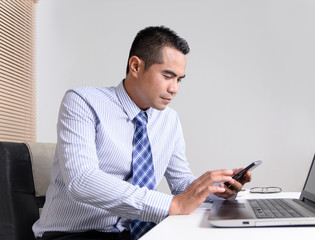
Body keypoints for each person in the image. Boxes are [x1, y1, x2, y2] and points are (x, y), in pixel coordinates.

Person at [33, 26, 251, 240]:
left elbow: (181, 182)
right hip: (74, 233)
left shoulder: (169, 119)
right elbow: (82, 180)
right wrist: (172, 205)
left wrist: (215, 191)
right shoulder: (83, 101)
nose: (174, 88)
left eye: (179, 79)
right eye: (167, 75)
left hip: (139, 233)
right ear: (136, 66)